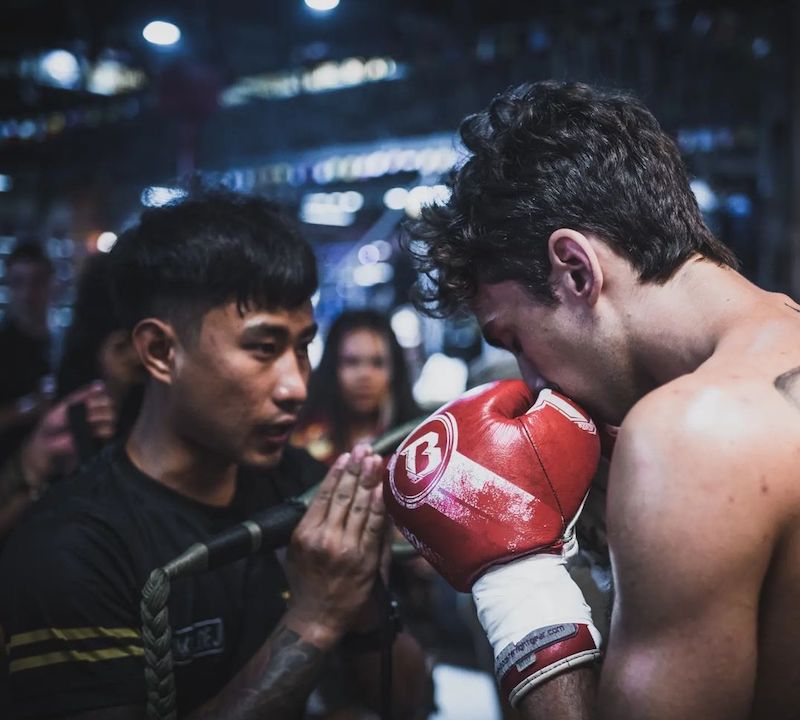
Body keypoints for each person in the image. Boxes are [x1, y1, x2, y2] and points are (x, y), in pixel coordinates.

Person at [403, 80, 800, 719]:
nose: (530, 381)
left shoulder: (691, 434)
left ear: (576, 269)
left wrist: (519, 583)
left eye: (516, 339)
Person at [0, 192, 427, 719]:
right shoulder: (74, 549)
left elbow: (410, 703)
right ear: (161, 352)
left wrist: (361, 592)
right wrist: (316, 616)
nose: (295, 385)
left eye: (301, 348)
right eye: (263, 348)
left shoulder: (301, 487)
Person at [293, 309, 420, 466]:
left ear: (394, 371)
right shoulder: (302, 439)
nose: (365, 375)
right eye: (351, 362)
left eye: (377, 363)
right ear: (332, 368)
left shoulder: (416, 442)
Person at [0, 242, 55, 465]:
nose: (27, 293)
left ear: (52, 284)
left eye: (37, 282)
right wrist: (28, 408)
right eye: (18, 282)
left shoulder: (66, 342)